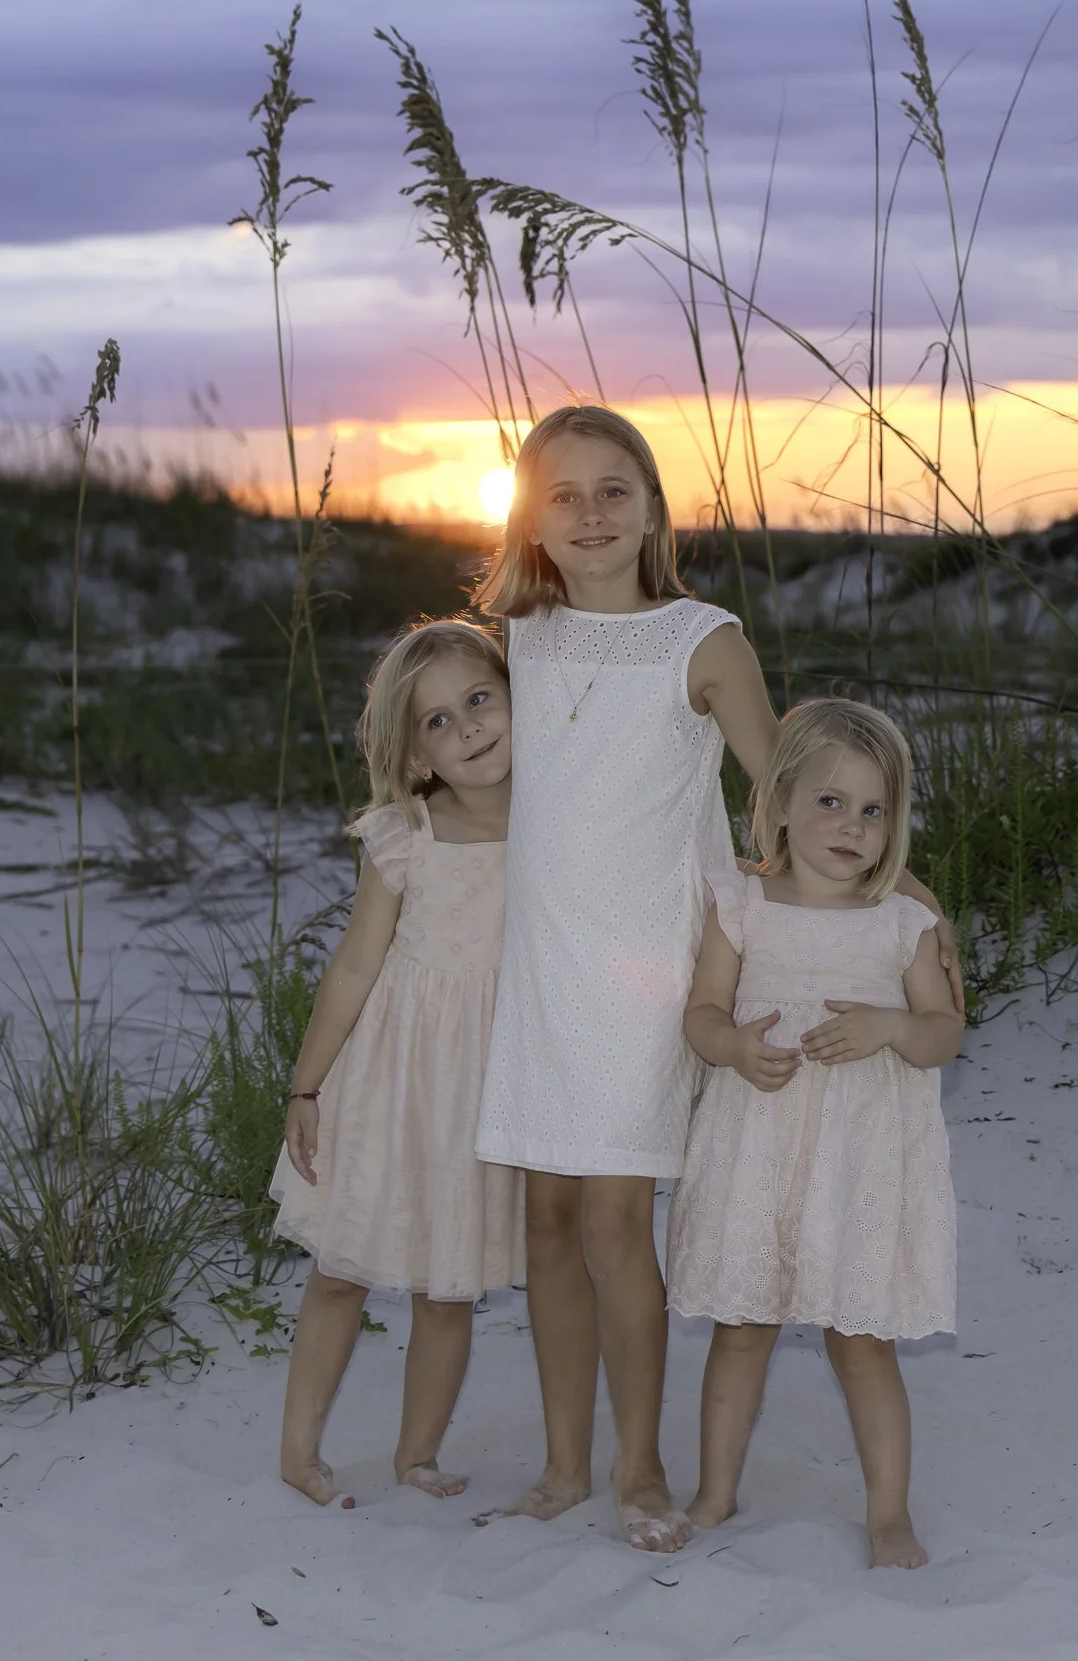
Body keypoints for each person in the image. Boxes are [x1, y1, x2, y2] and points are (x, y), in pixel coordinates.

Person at [473, 403, 960, 1554]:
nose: (589, 515)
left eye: (613, 490)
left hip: (649, 974)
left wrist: (909, 897)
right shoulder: (524, 637)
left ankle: (639, 1470)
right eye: (563, 494)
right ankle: (560, 1463)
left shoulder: (702, 638)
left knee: (609, 1223)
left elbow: (784, 788)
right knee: (542, 1220)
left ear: (652, 505)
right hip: (539, 970)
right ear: (528, 519)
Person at [666, 697, 962, 1568]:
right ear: (780, 800)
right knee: (743, 1324)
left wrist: (893, 1028)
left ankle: (888, 1516)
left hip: (856, 1155)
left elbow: (943, 1031)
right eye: (830, 802)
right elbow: (702, 1010)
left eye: (873, 810)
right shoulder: (741, 904)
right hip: (758, 1142)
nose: (853, 827)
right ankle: (715, 1493)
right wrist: (728, 1045)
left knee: (859, 1337)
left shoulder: (902, 924)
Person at [270, 619, 523, 1509]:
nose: (469, 730)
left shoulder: (558, 825)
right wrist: (308, 1086)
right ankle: (300, 1450)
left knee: (447, 1285)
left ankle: (417, 1455)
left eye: (479, 700)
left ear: (514, 692)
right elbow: (354, 965)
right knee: (341, 1267)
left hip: (482, 1091)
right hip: (385, 1077)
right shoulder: (406, 836)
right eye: (438, 724)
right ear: (416, 756)